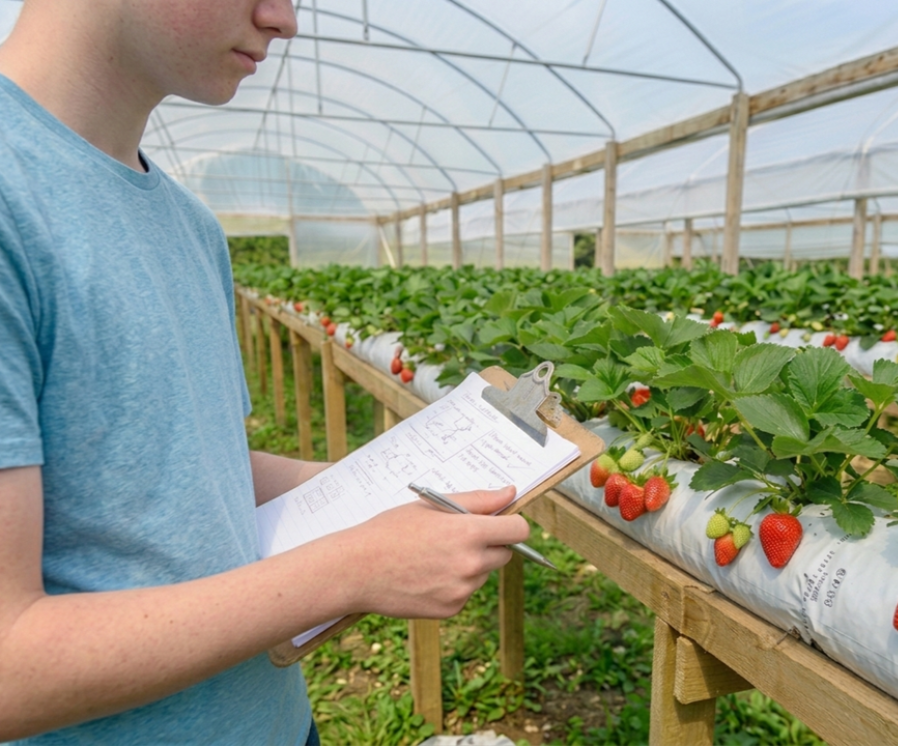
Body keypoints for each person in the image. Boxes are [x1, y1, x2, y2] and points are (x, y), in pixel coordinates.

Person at [0, 1, 530, 743]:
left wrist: (368, 487)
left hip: (273, 721)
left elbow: (179, 465)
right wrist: (349, 569)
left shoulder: (189, 226)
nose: (284, 19)